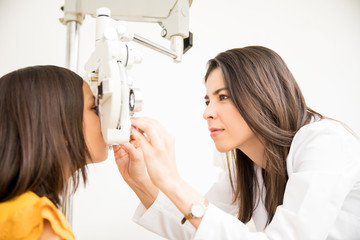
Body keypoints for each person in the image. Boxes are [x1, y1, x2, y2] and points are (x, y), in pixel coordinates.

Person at [114, 46, 360, 239]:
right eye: (207, 100)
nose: (207, 112)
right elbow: (197, 228)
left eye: (223, 97)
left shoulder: (326, 143)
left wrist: (171, 180)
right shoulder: (251, 164)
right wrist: (141, 182)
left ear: (263, 95)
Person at [0, 65, 109, 239]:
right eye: (94, 109)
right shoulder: (40, 224)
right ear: (60, 129)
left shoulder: (11, 211)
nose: (105, 119)